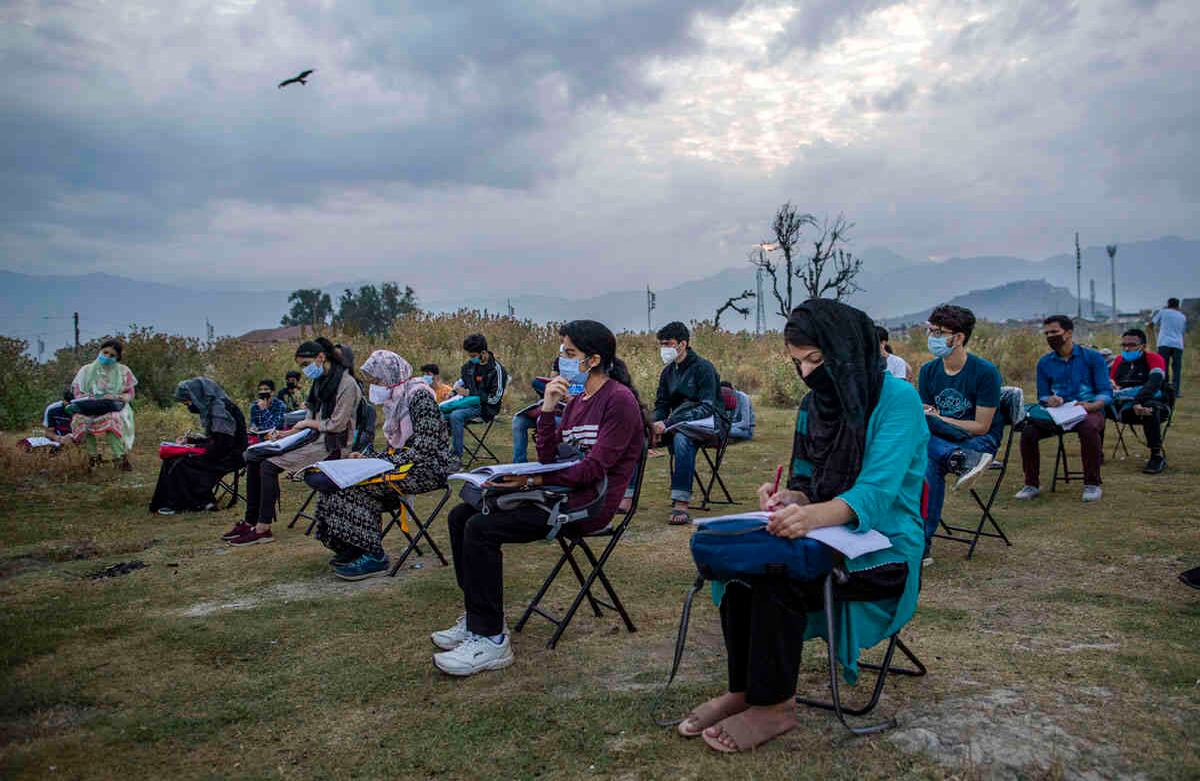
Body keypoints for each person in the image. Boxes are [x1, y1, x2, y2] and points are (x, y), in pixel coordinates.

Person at [677, 299, 927, 753]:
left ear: (848, 350)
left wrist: (809, 515)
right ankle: (746, 689)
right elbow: (806, 482)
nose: (808, 373)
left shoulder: (899, 401)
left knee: (778, 574)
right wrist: (789, 500)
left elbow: (875, 494)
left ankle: (775, 706)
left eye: (817, 359)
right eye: (798, 362)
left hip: (884, 545)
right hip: (825, 533)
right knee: (742, 567)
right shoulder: (815, 405)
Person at [431, 320, 644, 677]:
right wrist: (548, 408)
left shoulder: (619, 401)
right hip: (555, 493)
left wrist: (531, 478)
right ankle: (477, 615)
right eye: (562, 351)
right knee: (460, 515)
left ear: (593, 360)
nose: (561, 359)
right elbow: (548, 455)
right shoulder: (577, 401)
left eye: (569, 353)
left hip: (586, 505)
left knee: (481, 529)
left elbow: (593, 470)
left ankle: (491, 639)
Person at [307, 351, 456, 580]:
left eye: (377, 381)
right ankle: (351, 547)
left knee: (356, 487)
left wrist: (380, 462)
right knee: (336, 484)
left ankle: (374, 556)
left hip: (428, 468)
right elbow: (396, 450)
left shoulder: (419, 397)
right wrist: (368, 458)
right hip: (406, 465)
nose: (375, 386)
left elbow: (425, 448)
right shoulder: (396, 401)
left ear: (391, 375)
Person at [224, 338, 361, 546]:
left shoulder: (346, 384)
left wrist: (306, 423)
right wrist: (285, 434)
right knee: (253, 456)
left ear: (321, 357)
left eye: (306, 365)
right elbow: (311, 418)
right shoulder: (320, 382)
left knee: (268, 466)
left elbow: (337, 425)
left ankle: (263, 528)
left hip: (332, 445)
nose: (304, 370)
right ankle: (251, 521)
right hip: (313, 438)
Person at [917, 305, 1003, 546]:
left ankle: (921, 544)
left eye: (938, 332)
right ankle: (959, 459)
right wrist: (935, 420)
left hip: (978, 443)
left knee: (927, 456)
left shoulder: (985, 372)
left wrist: (940, 418)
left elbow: (981, 426)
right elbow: (926, 417)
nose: (932, 337)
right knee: (924, 441)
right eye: (930, 331)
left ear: (958, 338)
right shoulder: (928, 371)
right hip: (944, 441)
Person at [1016, 315, 1111, 503]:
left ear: (1068, 333)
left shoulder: (1092, 358)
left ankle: (1092, 484)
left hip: (1088, 410)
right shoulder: (1044, 362)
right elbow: (1042, 395)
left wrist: (1092, 405)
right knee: (1028, 432)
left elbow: (1106, 392)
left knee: (1089, 429)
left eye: (1054, 332)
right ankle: (1031, 484)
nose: (1050, 336)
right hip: (1058, 413)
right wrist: (1050, 399)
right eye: (1047, 333)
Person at [652, 321, 727, 525]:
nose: (664, 349)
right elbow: (661, 404)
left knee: (682, 438)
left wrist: (668, 423)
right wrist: (654, 424)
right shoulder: (668, 372)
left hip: (710, 424)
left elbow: (707, 407)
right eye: (661, 344)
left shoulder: (704, 368)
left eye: (668, 344)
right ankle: (625, 497)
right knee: (637, 437)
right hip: (676, 423)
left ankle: (681, 503)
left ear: (682, 344)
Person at [151, 378, 248, 516]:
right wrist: (191, 442)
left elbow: (223, 444)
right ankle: (168, 502)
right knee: (172, 459)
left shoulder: (219, 409)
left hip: (231, 456)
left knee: (182, 462)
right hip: (223, 451)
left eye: (188, 401)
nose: (188, 405)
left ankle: (194, 502)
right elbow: (216, 439)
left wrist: (194, 450)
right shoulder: (213, 407)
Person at [69, 339, 138, 471]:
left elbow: (130, 394)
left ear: (117, 358)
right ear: (100, 352)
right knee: (80, 420)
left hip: (114, 406)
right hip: (89, 406)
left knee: (114, 419)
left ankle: (120, 458)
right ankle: (93, 457)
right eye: (105, 352)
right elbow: (77, 394)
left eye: (112, 355)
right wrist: (91, 398)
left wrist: (116, 397)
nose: (107, 357)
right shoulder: (86, 370)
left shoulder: (124, 371)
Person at [1109, 328, 1168, 474]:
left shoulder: (1154, 359)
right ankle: (1096, 453)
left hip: (1151, 402)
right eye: (1124, 345)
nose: (1127, 348)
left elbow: (1154, 383)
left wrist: (1137, 401)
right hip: (1122, 405)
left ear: (1143, 346)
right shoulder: (1118, 360)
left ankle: (1156, 456)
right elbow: (1109, 382)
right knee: (1097, 407)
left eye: (1132, 345)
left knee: (1149, 408)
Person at [442, 334, 508, 460]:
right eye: (469, 356)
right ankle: (442, 453)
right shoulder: (468, 367)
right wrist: (453, 393)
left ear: (484, 353)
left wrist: (472, 395)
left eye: (473, 356)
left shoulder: (497, 370)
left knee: (456, 416)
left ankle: (456, 458)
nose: (471, 359)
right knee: (438, 414)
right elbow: (464, 384)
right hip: (465, 403)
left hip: (485, 408)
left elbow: (495, 398)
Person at [512, 358, 566, 463]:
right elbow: (552, 378)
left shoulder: (586, 368)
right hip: (553, 405)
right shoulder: (560, 360)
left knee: (542, 420)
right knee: (518, 421)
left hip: (568, 414)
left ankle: (546, 461)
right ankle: (519, 463)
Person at [1151, 297, 1186, 397]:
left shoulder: (1163, 312)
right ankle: (1176, 391)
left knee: (1163, 367)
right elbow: (1182, 331)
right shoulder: (1182, 316)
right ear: (1178, 306)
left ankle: (1163, 389)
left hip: (1164, 343)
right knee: (1177, 368)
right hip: (1178, 344)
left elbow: (1152, 323)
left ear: (1168, 304)